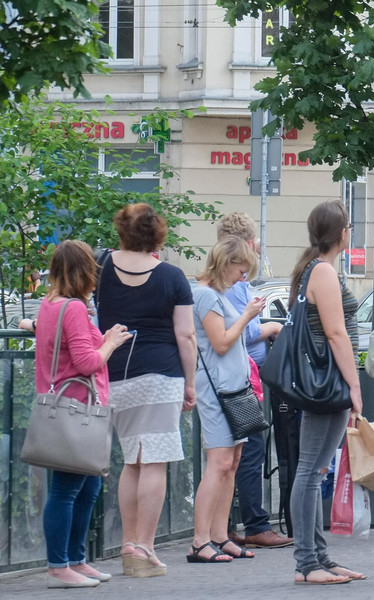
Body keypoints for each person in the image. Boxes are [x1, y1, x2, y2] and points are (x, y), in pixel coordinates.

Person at [95, 203, 196, 578]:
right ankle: (145, 547)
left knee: (131, 461)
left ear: (121, 230)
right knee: (153, 460)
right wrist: (190, 383)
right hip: (161, 374)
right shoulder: (172, 276)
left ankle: (128, 543)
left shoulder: (102, 269)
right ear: (158, 233)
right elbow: (185, 335)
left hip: (116, 373)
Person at [25, 241, 132, 587]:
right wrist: (112, 342)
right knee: (67, 490)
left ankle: (76, 559)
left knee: (86, 488)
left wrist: (103, 337)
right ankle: (59, 565)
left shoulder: (50, 304)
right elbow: (87, 362)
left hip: (77, 407)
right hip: (76, 410)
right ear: (85, 271)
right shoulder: (72, 308)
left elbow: (69, 346)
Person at [286, 201, 365, 584]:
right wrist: (354, 385)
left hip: (322, 381)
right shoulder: (322, 273)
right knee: (310, 471)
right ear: (342, 233)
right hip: (326, 381)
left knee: (314, 470)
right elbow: (336, 334)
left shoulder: (313, 268)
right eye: (349, 226)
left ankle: (318, 557)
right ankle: (307, 563)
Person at [215, 213, 291, 550]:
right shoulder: (233, 283)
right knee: (249, 451)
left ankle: (227, 525)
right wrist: (273, 328)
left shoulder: (237, 281)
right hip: (242, 379)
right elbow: (241, 333)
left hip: (247, 376)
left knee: (238, 452)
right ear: (247, 243)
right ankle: (253, 523)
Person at [189, 236, 265, 563]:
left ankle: (220, 534)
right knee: (219, 462)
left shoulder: (216, 294)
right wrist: (247, 315)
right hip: (218, 390)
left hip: (232, 388)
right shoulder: (206, 296)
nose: (242, 277)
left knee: (231, 462)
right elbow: (220, 343)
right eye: (240, 269)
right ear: (226, 263)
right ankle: (200, 539)